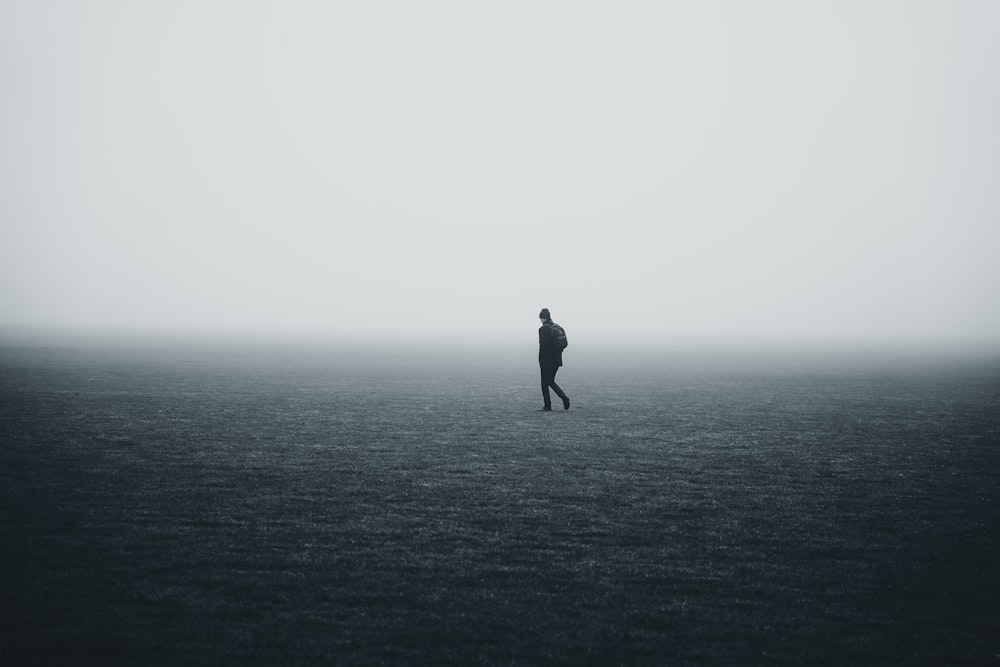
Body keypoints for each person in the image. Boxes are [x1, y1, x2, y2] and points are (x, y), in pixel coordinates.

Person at [537, 308, 570, 411]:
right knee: (550, 381)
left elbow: (543, 346)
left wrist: (541, 360)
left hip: (546, 360)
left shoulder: (543, 329)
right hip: (557, 360)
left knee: (544, 383)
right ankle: (564, 398)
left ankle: (548, 405)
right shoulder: (557, 327)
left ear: (542, 318)